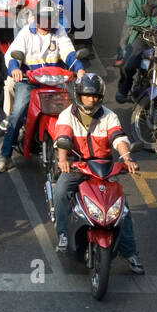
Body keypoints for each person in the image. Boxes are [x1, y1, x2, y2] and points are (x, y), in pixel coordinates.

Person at [52, 71, 144, 273]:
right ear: (79, 95)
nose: (91, 99)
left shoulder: (109, 116)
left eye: (95, 96)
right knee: (60, 192)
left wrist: (127, 158)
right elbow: (63, 136)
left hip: (102, 168)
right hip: (76, 166)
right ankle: (63, 234)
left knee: (122, 210)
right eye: (87, 95)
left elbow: (118, 138)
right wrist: (62, 160)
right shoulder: (68, 114)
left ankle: (130, 253)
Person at [0, 0, 84, 172]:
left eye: (50, 18)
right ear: (36, 18)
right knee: (17, 113)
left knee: (74, 112)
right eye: (43, 18)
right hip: (30, 82)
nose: (47, 22)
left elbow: (68, 53)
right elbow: (14, 54)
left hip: (55, 83)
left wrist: (79, 69)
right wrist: (15, 69)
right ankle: (5, 156)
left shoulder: (59, 32)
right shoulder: (26, 32)